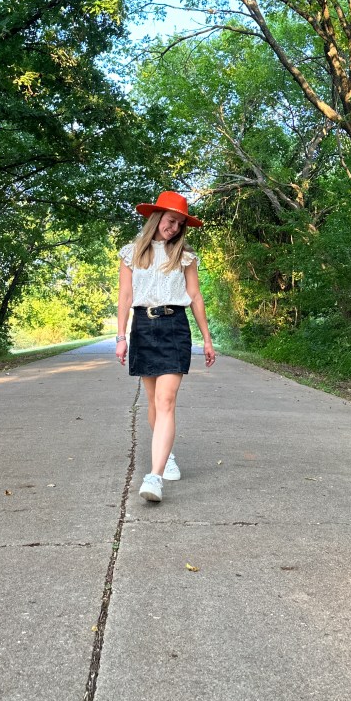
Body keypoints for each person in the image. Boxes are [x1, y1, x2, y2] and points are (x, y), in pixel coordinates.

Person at [116, 190, 216, 503]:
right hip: (143, 327)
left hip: (175, 327)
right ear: (156, 217)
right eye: (170, 221)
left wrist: (207, 339)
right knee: (153, 402)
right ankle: (167, 454)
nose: (173, 228)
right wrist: (121, 337)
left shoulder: (185, 256)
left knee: (166, 400)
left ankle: (154, 477)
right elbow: (125, 297)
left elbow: (196, 296)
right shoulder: (131, 253)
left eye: (179, 225)